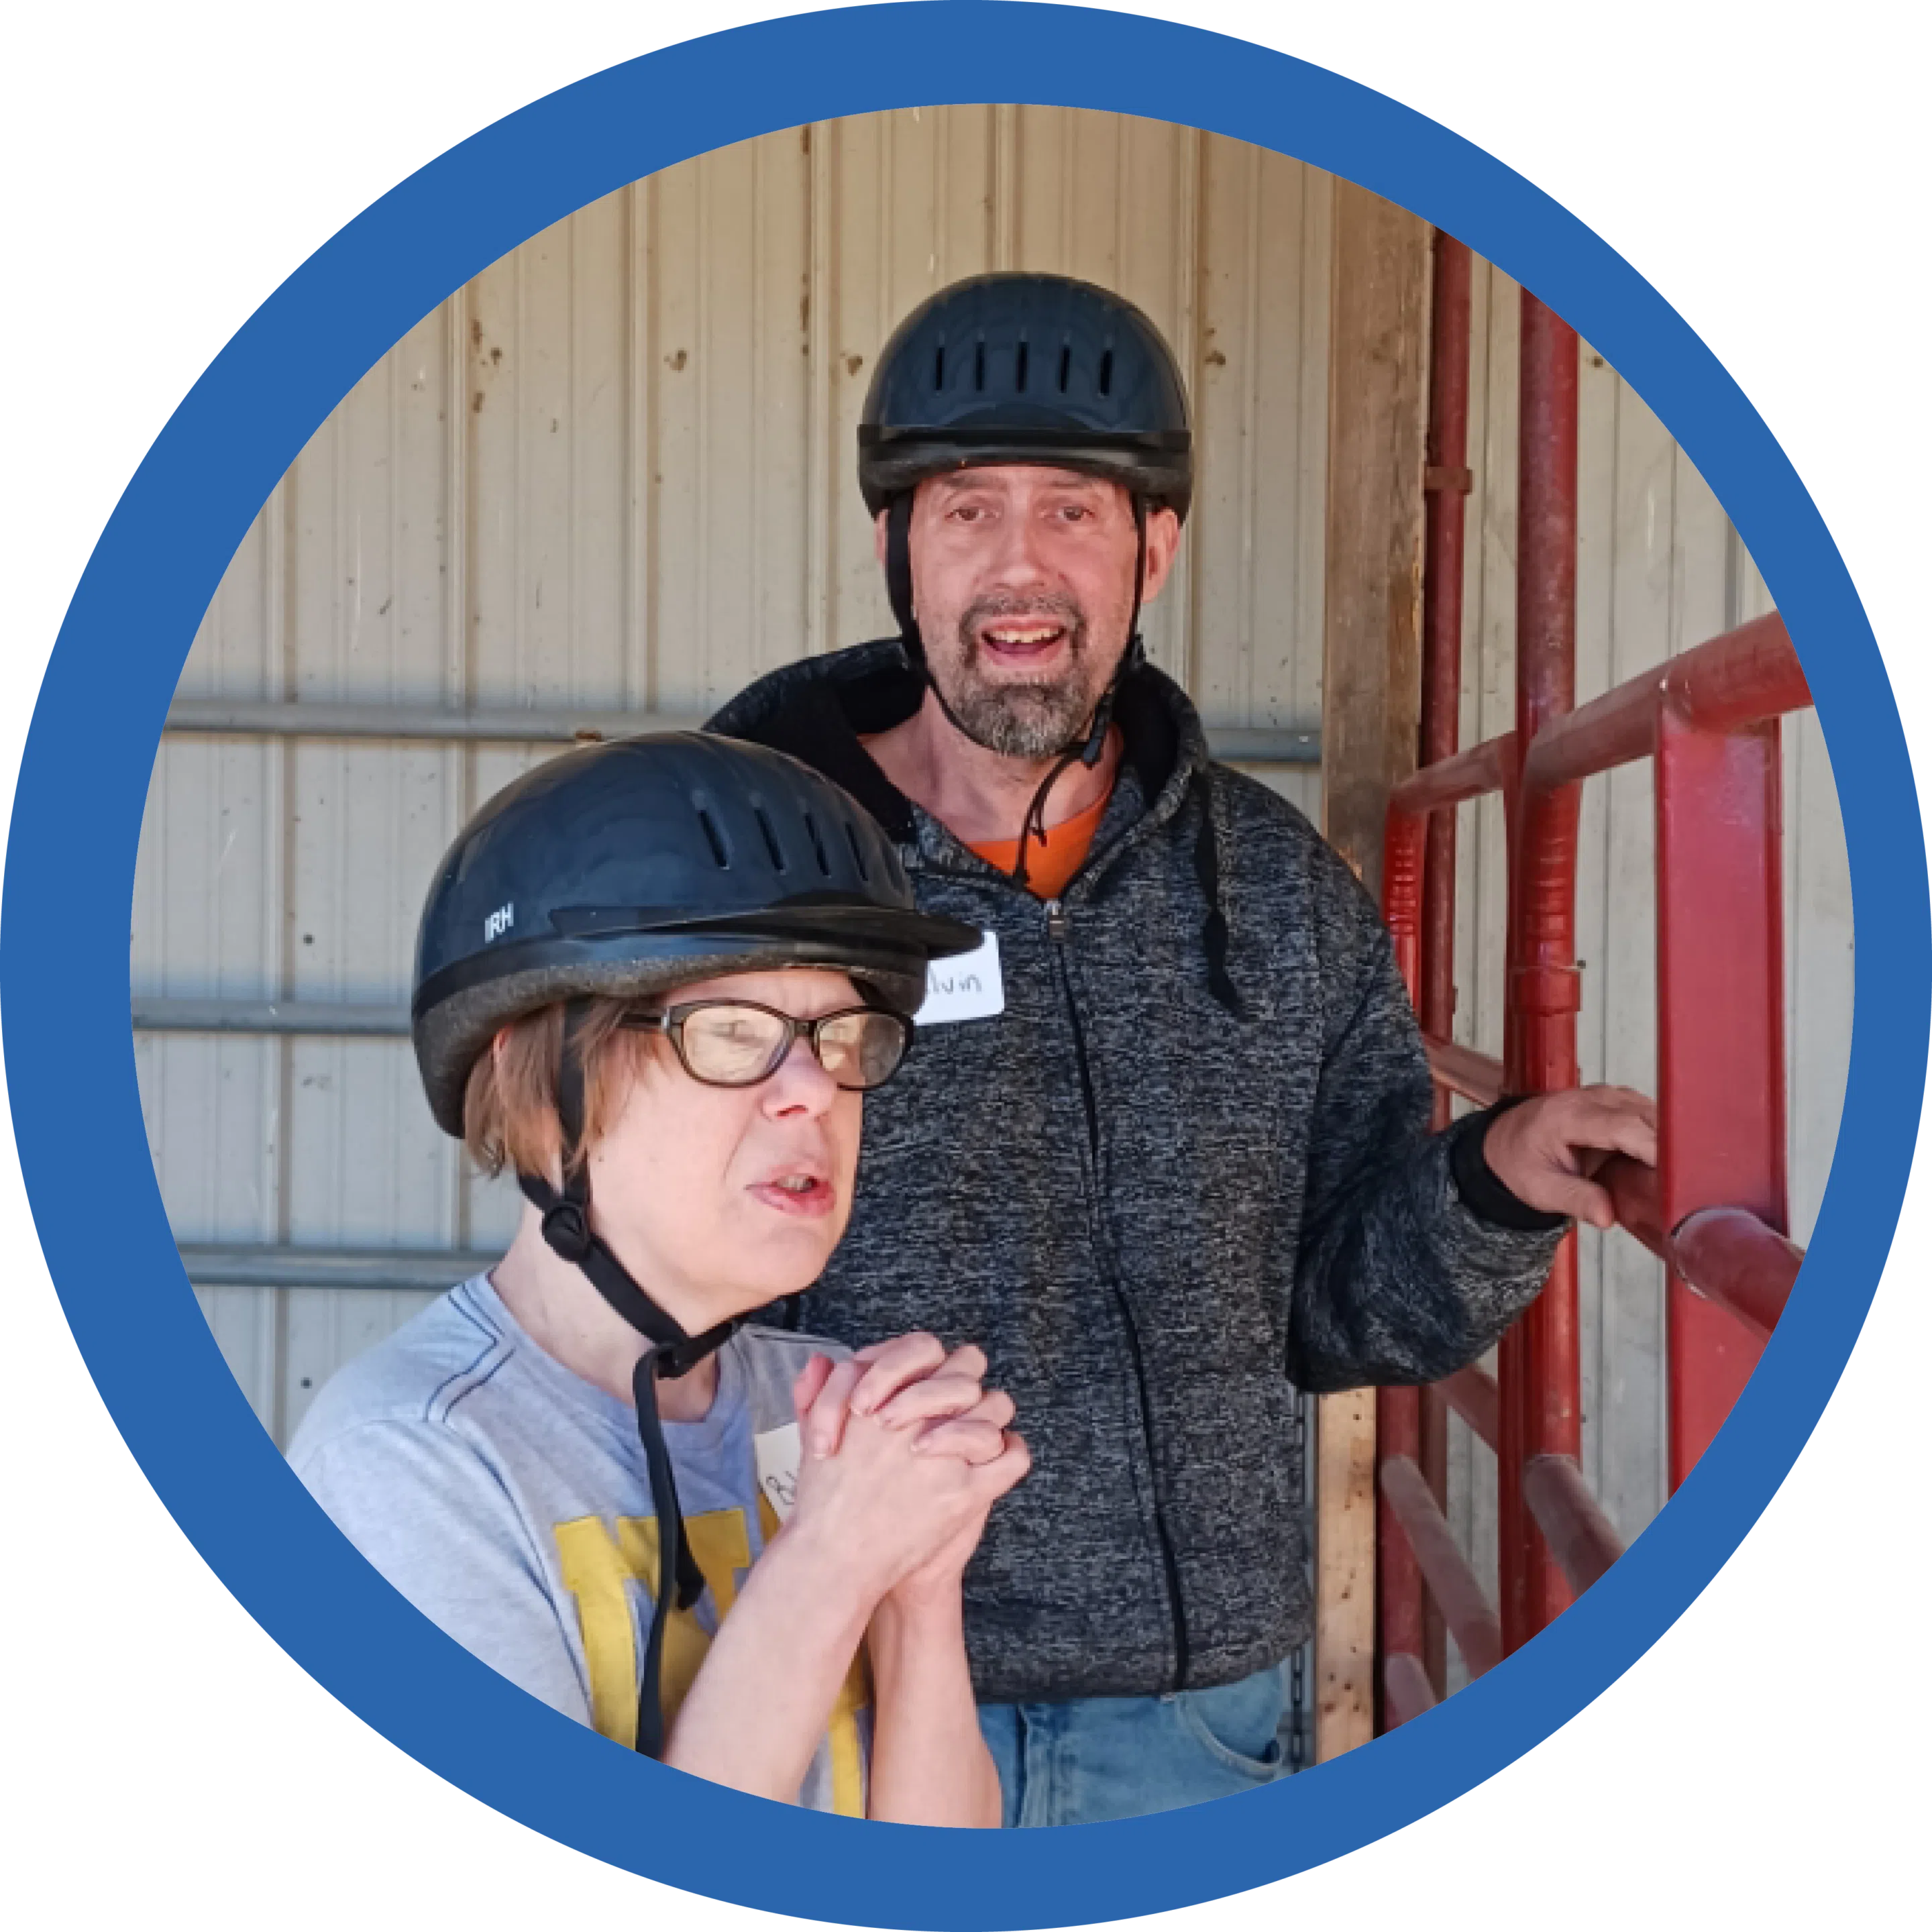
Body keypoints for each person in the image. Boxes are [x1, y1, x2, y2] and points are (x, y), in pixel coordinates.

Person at [707, 271, 1659, 1825]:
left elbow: (1342, 1315)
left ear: (1158, 546)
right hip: (824, 1687)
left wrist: (1490, 1183)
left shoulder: (1275, 899)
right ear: (896, 547)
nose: (1020, 567)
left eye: (1075, 511)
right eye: (964, 508)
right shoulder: (737, 873)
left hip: (1193, 1729)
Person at [288, 731, 1032, 1822]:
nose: (813, 1094)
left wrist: (918, 1590)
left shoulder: (819, 1409)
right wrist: (833, 1558)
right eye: (732, 1033)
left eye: (839, 1036)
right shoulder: (407, 1469)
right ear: (537, 1088)